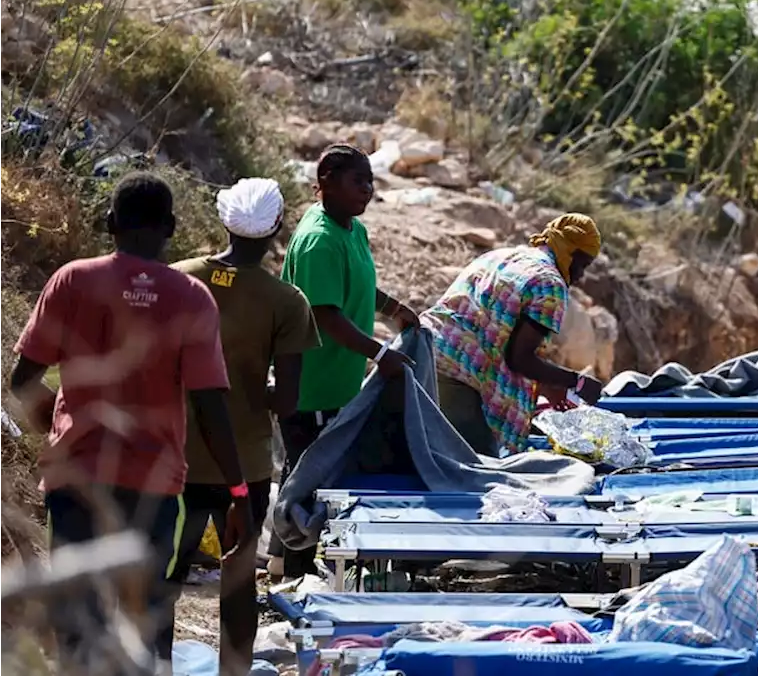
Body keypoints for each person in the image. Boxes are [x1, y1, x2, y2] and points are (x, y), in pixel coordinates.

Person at [8, 172, 254, 671]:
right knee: (148, 613)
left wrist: (58, 427)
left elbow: (22, 381)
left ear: (109, 222)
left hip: (76, 476)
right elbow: (210, 405)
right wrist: (239, 494)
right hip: (155, 485)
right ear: (171, 227)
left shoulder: (72, 280)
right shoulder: (190, 298)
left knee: (78, 611)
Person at [162, 178, 320, 675]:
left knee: (165, 577)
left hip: (176, 458)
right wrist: (254, 389)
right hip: (245, 465)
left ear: (224, 219)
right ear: (276, 228)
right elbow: (289, 400)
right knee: (237, 580)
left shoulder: (178, 279)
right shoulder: (286, 300)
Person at [268, 144, 419, 579]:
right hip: (311, 386)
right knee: (308, 483)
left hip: (339, 385)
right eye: (358, 181)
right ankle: (294, 581)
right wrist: (380, 352)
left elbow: (357, 285)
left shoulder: (351, 230)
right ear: (327, 181)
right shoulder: (318, 239)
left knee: (307, 473)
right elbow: (325, 314)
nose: (367, 190)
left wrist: (394, 308)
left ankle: (282, 564)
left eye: (371, 182)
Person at [426, 214, 606, 456]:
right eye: (582, 264)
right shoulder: (549, 283)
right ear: (569, 252)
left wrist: (545, 384)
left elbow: (496, 331)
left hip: (423, 351)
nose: (581, 275)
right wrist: (577, 382)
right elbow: (519, 359)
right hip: (458, 374)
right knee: (476, 469)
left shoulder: (503, 256)